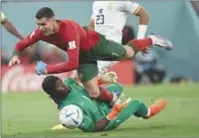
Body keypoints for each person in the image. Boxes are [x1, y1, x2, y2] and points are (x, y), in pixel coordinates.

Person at [9, 7, 173, 105]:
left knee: (129, 53)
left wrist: (47, 69)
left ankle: (153, 39)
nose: (40, 28)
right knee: (94, 93)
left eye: (43, 24)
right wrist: (16, 55)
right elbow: (21, 43)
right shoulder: (41, 33)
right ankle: (113, 99)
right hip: (84, 58)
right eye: (38, 25)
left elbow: (72, 63)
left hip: (96, 45)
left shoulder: (70, 30)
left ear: (53, 21)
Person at [42, 75, 167, 132]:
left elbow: (85, 83)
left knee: (118, 87)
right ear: (53, 94)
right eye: (58, 86)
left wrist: (102, 80)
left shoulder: (69, 83)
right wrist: (113, 113)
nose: (63, 85)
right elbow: (93, 128)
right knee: (136, 103)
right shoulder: (70, 110)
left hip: (102, 104)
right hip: (107, 121)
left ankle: (112, 100)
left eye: (60, 82)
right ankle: (148, 113)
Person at [89, 1, 149, 74]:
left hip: (111, 48)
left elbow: (143, 14)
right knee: (84, 78)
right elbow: (91, 25)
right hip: (99, 49)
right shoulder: (97, 3)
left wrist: (140, 42)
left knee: (85, 78)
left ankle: (154, 40)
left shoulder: (121, 2)